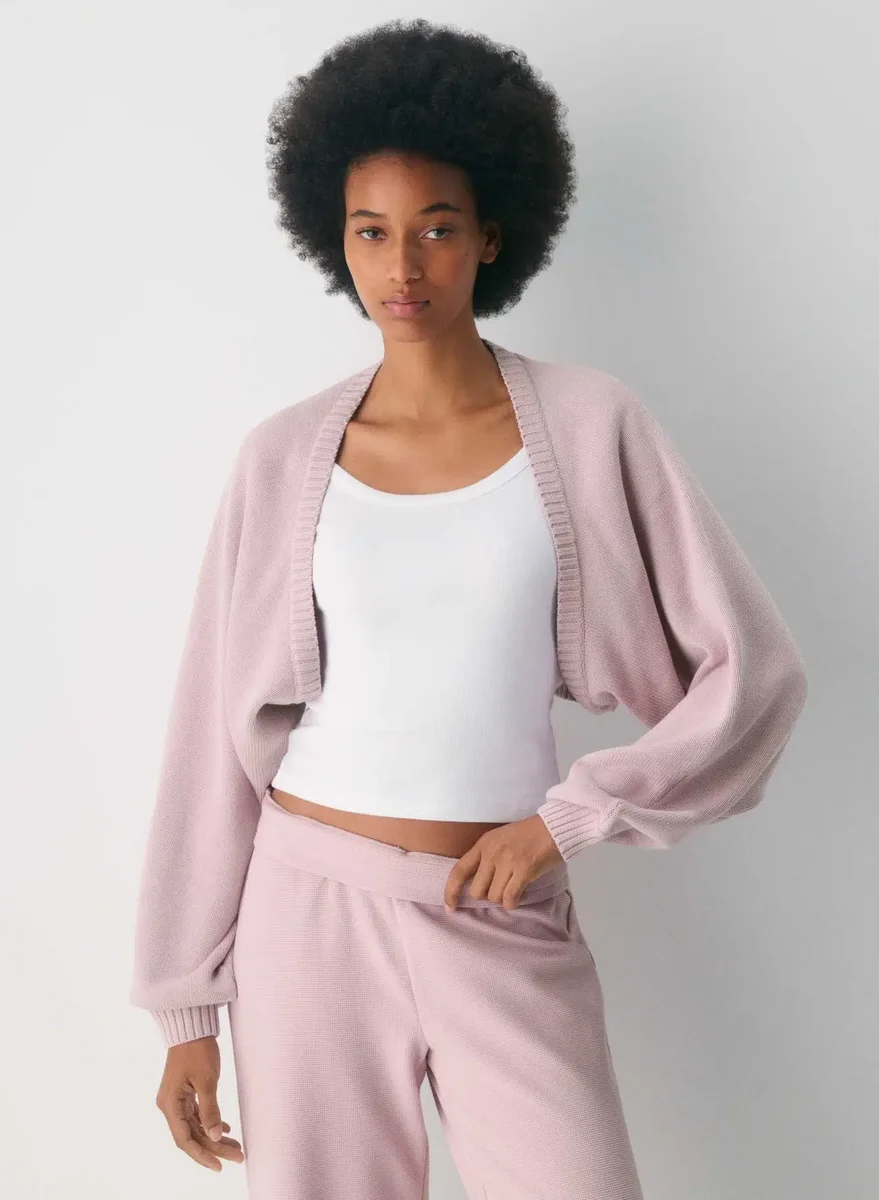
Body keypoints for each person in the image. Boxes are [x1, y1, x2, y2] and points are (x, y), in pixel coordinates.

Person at [130, 18, 808, 1199]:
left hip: (502, 908)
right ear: (335, 239)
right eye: (371, 231)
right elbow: (208, 738)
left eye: (437, 227)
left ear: (493, 234)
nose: (403, 266)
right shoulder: (282, 458)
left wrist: (569, 820)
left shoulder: (590, 427)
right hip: (308, 917)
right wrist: (185, 1002)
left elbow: (754, 676)